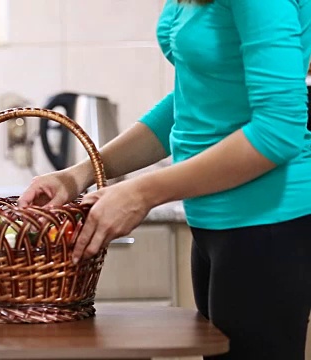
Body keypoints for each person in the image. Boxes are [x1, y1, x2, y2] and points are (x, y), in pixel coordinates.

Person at [19, 0, 311, 359]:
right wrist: (79, 174)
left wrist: (143, 193)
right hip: (215, 227)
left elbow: (277, 131)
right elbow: (194, 100)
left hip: (266, 226)